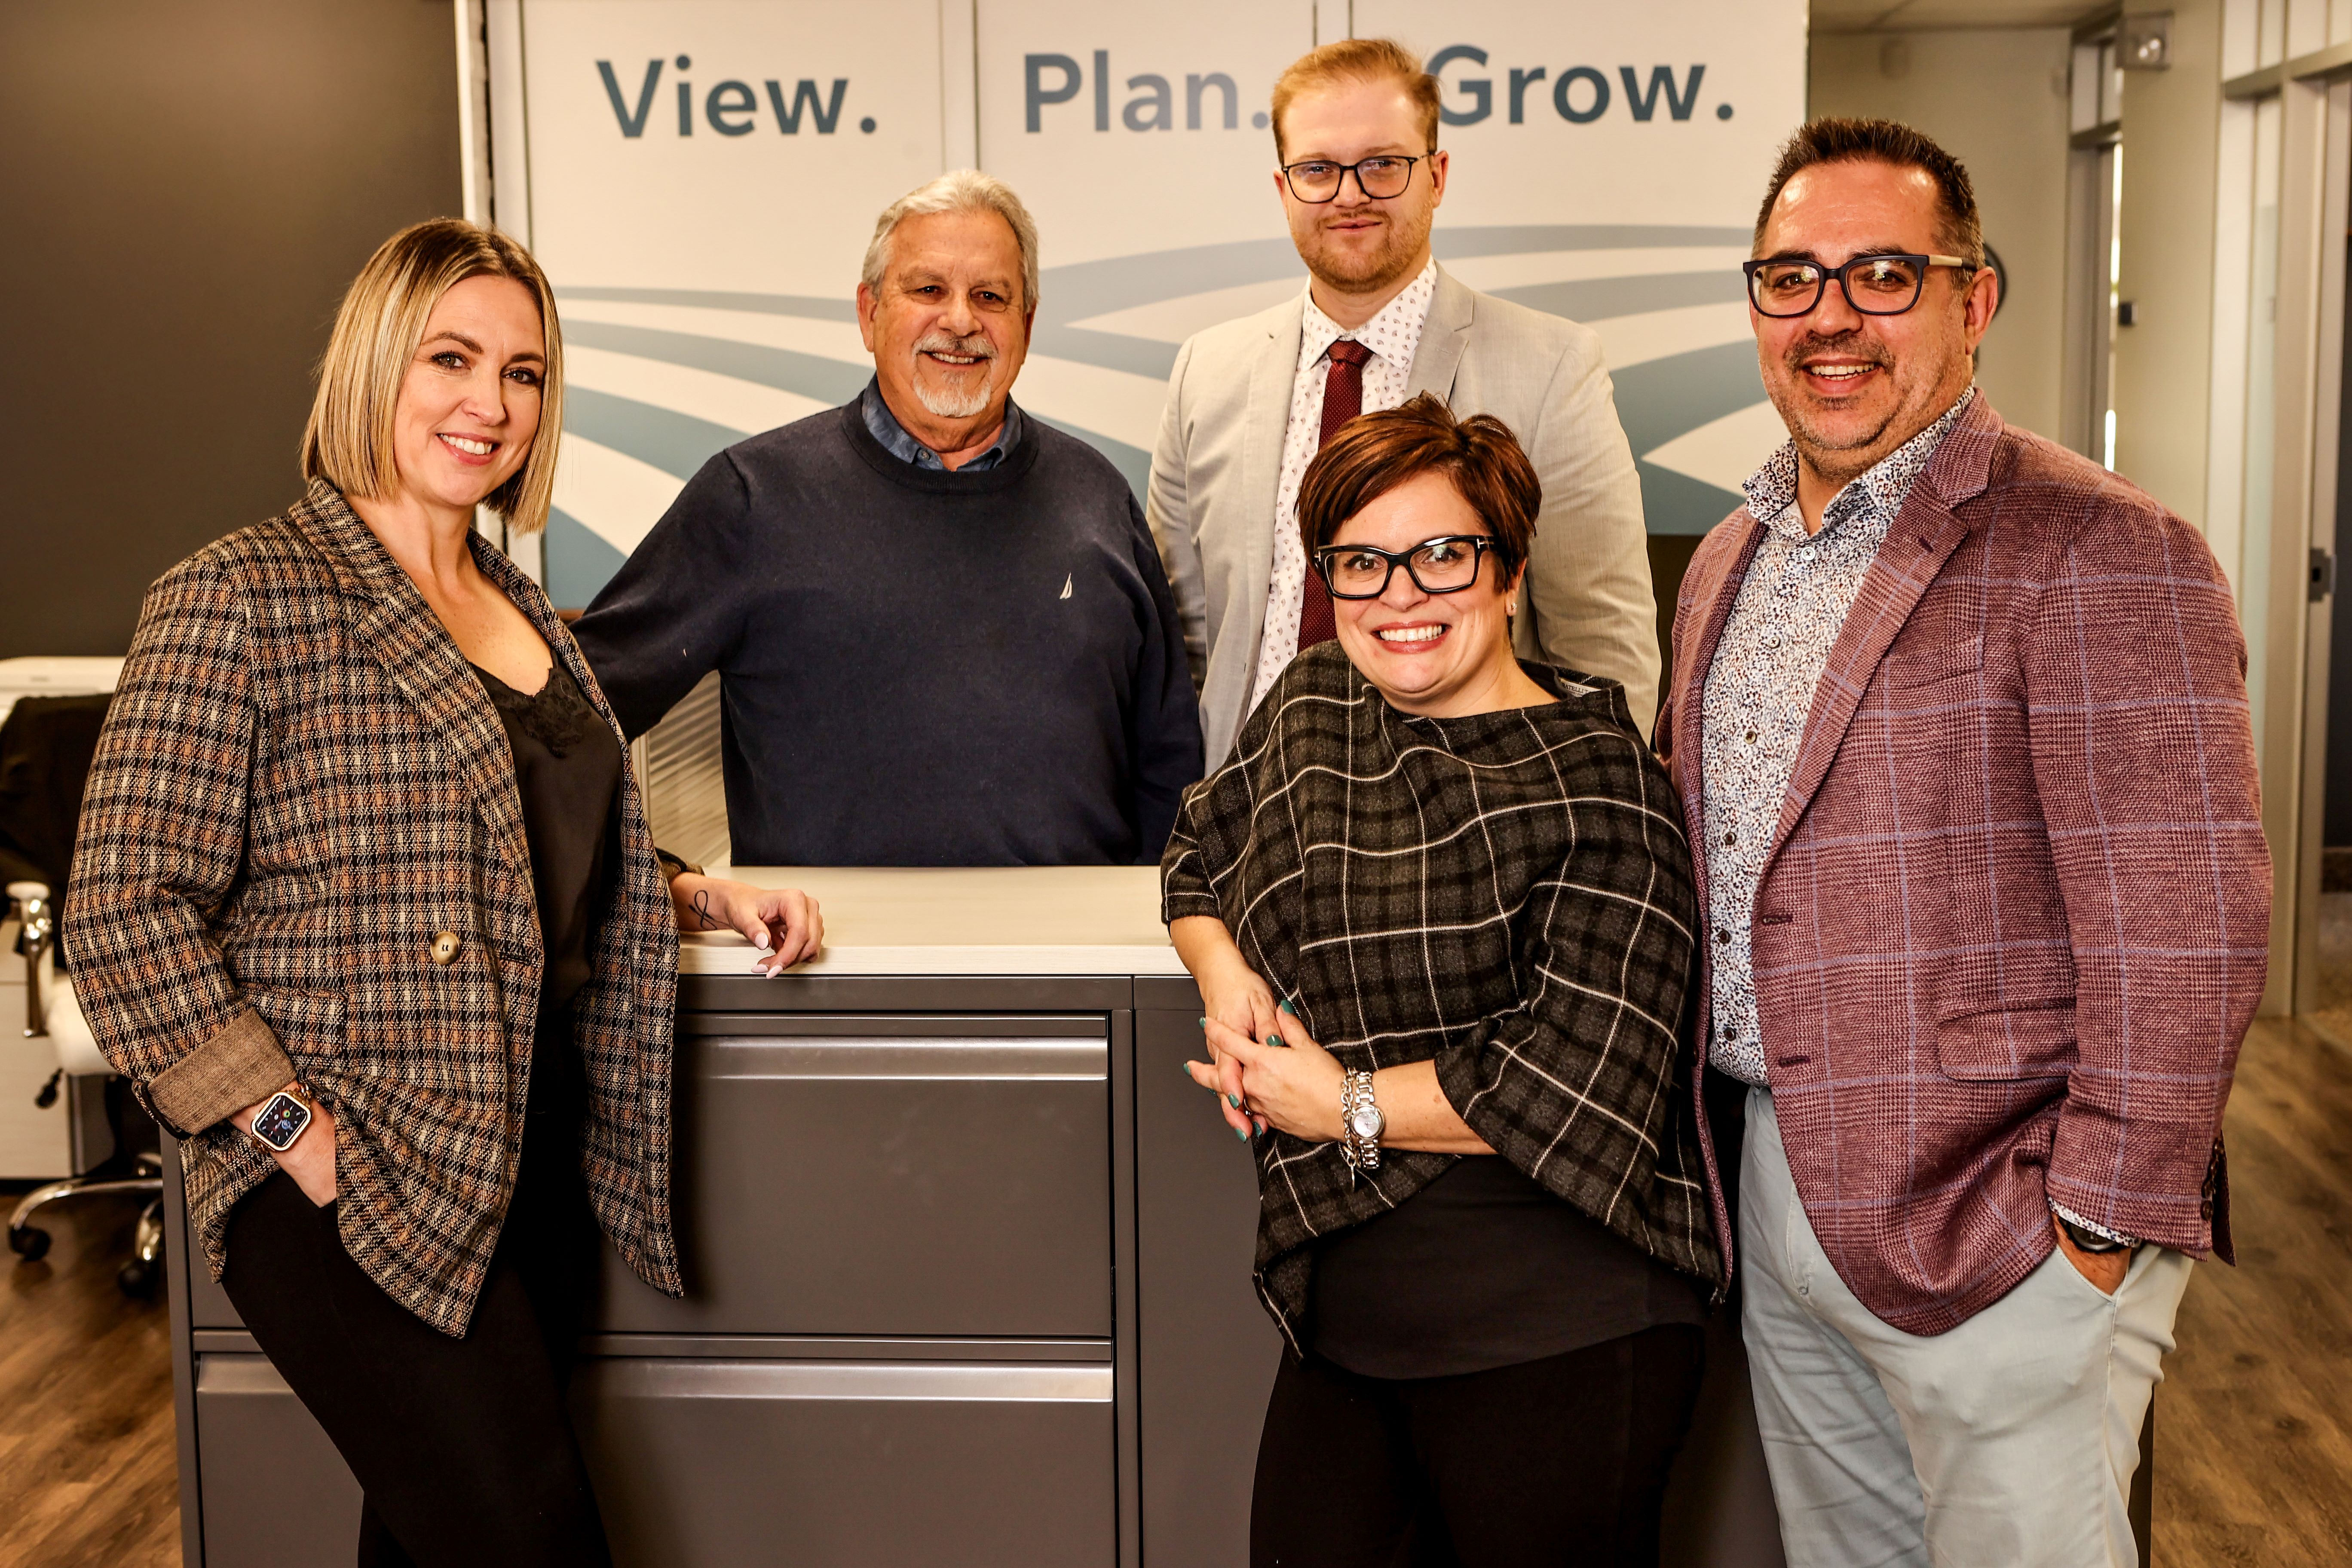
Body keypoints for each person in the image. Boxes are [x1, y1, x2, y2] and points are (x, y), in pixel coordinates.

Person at [65, 218, 823, 1567]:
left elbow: (507, 849)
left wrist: (691, 894)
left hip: (532, 1154)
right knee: (529, 1537)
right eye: (452, 359)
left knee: (431, 1541)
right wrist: (291, 1129)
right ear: (376, 363)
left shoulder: (523, 608)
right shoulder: (243, 595)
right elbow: (122, 909)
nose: (491, 403)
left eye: (524, 373)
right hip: (350, 1167)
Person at [1655, 119, 2269, 1567]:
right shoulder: (1730, 554)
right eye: (1792, 278)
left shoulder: (2101, 546)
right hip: (1780, 1193)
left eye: (1882, 274)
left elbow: (2187, 923)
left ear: (1973, 297)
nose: (1831, 317)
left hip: (2007, 1224)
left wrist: (2093, 1234)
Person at [1163, 394, 1722, 1567]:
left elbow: (1580, 1077)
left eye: (1442, 556)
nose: (1400, 596)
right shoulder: (1318, 705)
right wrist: (1225, 978)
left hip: (1561, 1325)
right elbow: (1198, 849)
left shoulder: (1603, 782)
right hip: (1351, 1313)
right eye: (1361, 564)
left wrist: (1340, 1104)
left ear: (1510, 572)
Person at [570, 170, 1202, 867]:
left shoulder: (1099, 499)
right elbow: (570, 720)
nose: (960, 321)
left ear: (1026, 325)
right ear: (869, 314)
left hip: (1075, 937)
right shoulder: (752, 498)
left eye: (990, 296)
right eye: (928, 290)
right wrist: (658, 887)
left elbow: (1170, 767)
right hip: (830, 938)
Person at [1149, 37, 1662, 768]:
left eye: (1383, 164)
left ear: (1437, 176)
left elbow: (1603, 647)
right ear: (1284, 188)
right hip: (1250, 810)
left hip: (1465, 815)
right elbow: (1186, 645)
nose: (1349, 194)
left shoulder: (1551, 368)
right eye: (1318, 169)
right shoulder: (1206, 372)